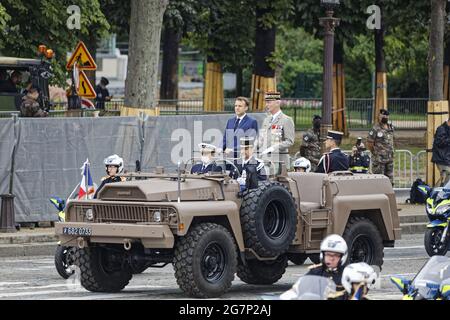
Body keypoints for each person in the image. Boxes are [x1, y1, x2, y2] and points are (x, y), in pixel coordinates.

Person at [257, 91, 295, 170]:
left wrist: (274, 147)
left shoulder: (286, 120)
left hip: (279, 162)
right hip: (265, 161)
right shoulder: (266, 120)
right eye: (266, 102)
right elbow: (261, 138)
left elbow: (289, 141)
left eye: (269, 102)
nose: (267, 105)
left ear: (277, 103)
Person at [367, 109, 395, 185]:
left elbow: (391, 141)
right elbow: (370, 143)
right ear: (379, 117)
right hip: (379, 160)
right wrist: (375, 153)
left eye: (386, 115)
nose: (384, 117)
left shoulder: (391, 128)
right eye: (382, 115)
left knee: (390, 181)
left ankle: (389, 196)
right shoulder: (375, 128)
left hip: (389, 159)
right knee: (379, 181)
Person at [431, 117, 450, 187]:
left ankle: (436, 193)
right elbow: (439, 142)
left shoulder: (447, 129)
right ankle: (434, 194)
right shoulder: (441, 129)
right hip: (442, 158)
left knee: (445, 178)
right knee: (446, 176)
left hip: (445, 159)